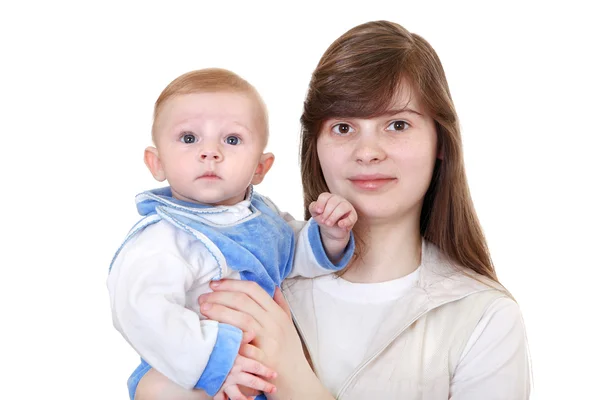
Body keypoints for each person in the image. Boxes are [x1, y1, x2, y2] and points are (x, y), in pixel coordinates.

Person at [131, 20, 531, 400]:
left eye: (398, 125)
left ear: (440, 142)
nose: (368, 152)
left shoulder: (483, 318)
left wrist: (292, 376)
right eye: (343, 127)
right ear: (314, 146)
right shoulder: (251, 274)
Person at [107, 68, 358, 400]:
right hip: (188, 369)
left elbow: (292, 255)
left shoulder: (262, 219)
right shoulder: (165, 237)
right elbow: (142, 311)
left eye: (232, 139)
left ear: (260, 168)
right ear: (157, 163)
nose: (210, 152)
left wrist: (329, 235)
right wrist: (215, 362)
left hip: (262, 369)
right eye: (188, 138)